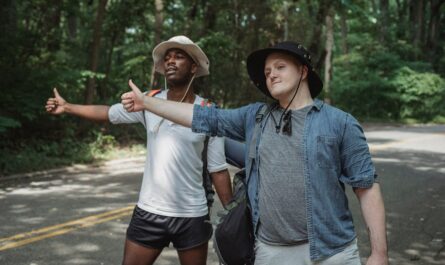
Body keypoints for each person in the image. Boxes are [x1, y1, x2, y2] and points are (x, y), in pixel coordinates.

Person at [122, 41, 389, 265]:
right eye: (267, 70)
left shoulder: (340, 123)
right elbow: (201, 117)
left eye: (280, 67)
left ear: (303, 71)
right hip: (269, 253)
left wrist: (379, 253)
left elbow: (366, 187)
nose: (271, 74)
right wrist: (147, 103)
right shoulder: (255, 117)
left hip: (332, 253)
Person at [45, 35, 232, 265]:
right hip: (149, 211)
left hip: (192, 214)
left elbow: (218, 170)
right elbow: (108, 113)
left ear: (194, 67)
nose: (171, 61)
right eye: (168, 58)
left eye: (179, 57)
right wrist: (68, 107)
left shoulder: (208, 111)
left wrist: (234, 213)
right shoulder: (147, 102)